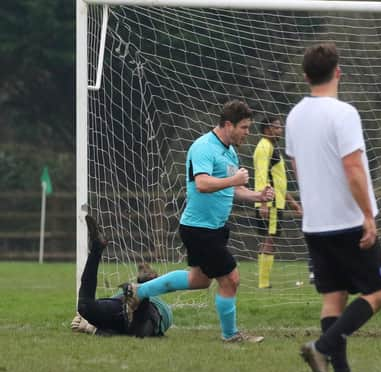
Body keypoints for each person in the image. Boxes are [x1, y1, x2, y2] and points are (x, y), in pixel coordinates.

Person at [122, 100, 274, 343]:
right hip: (200, 230)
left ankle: (139, 292)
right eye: (244, 127)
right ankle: (231, 335)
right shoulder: (203, 147)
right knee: (231, 279)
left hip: (215, 228)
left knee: (199, 280)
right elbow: (202, 184)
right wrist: (234, 180)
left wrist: (257, 195)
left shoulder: (229, 151)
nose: (247, 132)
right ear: (228, 125)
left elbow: (231, 189)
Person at [286, 42, 381, 372]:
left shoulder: (294, 115)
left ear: (305, 76)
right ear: (338, 72)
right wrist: (367, 215)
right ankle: (322, 348)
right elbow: (353, 169)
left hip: (314, 223)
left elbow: (297, 166)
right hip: (346, 220)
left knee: (334, 297)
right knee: (378, 292)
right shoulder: (344, 113)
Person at [71, 215, 173, 337]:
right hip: (125, 302)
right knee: (85, 307)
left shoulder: (112, 318)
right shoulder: (115, 315)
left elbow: (109, 332)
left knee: (140, 332)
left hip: (156, 310)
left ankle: (142, 290)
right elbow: (111, 332)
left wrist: (89, 328)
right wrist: (88, 325)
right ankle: (97, 246)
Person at [253, 115, 303, 289]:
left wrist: (292, 203)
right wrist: (264, 202)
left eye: (280, 127)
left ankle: (264, 282)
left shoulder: (272, 148)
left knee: (270, 238)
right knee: (269, 239)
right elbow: (261, 176)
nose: (280, 130)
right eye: (276, 127)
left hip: (276, 202)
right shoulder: (264, 147)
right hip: (270, 202)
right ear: (267, 129)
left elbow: (279, 182)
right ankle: (263, 283)